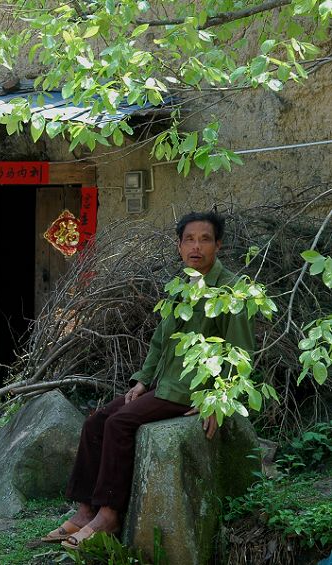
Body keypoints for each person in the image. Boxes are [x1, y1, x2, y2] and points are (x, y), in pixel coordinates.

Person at [41, 211, 256, 549]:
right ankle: (84, 511)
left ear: (219, 245)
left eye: (205, 239)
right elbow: (160, 340)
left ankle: (109, 515)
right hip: (163, 384)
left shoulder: (231, 292)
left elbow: (241, 353)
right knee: (97, 421)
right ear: (179, 245)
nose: (196, 246)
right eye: (189, 239)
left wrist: (218, 402)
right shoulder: (180, 285)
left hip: (190, 390)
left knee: (120, 424)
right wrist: (141, 381)